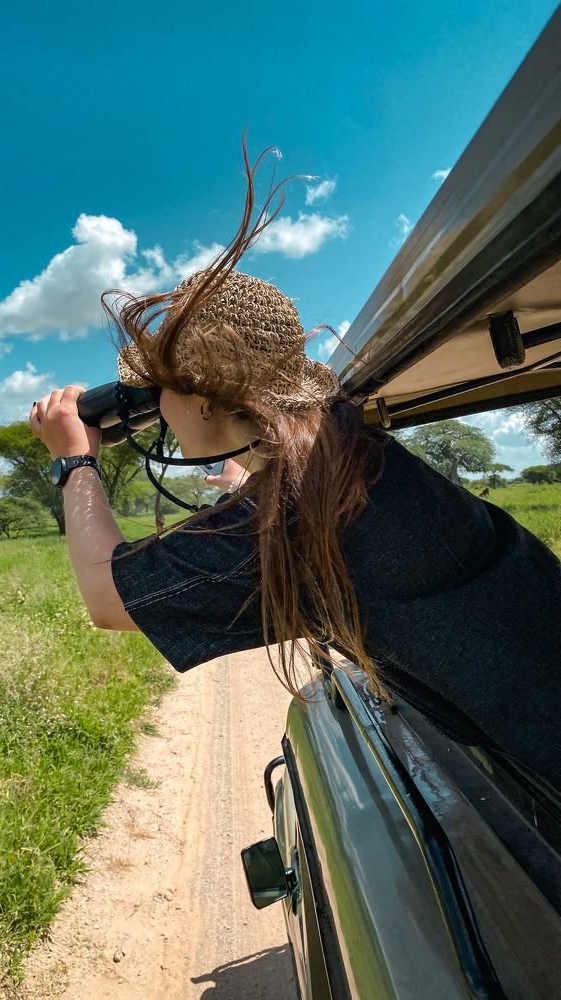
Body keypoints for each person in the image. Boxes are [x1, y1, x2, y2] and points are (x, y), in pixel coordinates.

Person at [29, 148, 561, 799]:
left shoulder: (299, 512)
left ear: (201, 399)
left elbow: (107, 599)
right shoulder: (340, 456)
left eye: (159, 389)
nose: (153, 411)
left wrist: (74, 460)